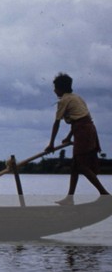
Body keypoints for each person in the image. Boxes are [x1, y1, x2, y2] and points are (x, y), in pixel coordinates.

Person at [45, 73, 109, 204]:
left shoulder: (64, 100)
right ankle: (70, 198)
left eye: (55, 88)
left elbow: (57, 123)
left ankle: (105, 194)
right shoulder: (77, 98)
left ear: (61, 89)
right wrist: (68, 137)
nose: (54, 90)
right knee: (75, 166)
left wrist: (51, 144)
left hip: (84, 131)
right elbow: (78, 119)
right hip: (86, 129)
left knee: (82, 166)